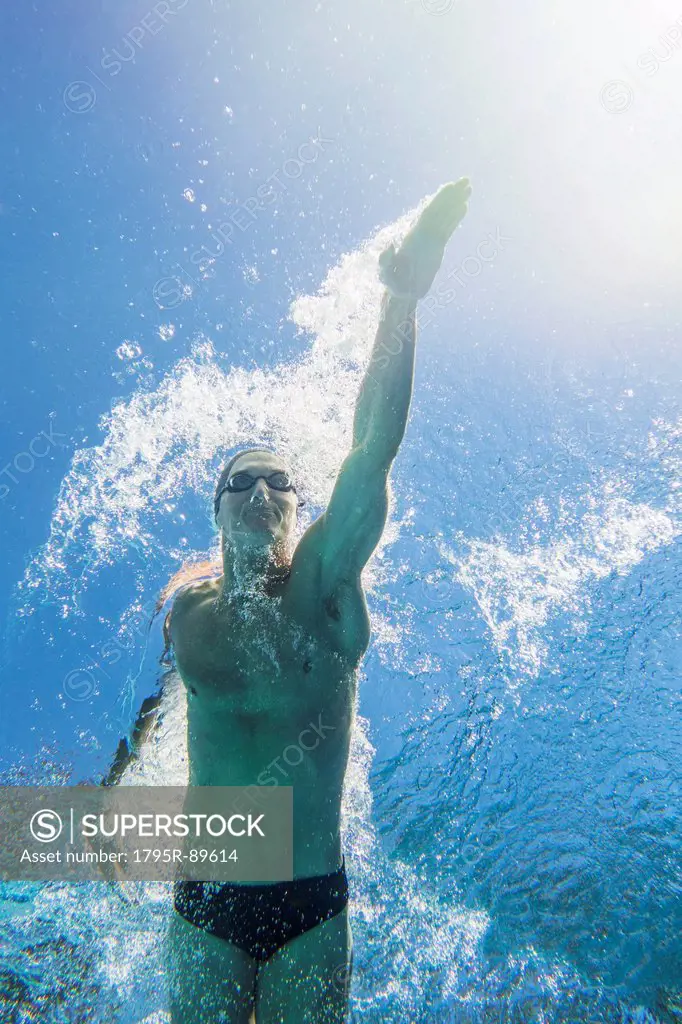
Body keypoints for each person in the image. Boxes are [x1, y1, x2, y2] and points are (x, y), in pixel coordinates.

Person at [164, 178, 472, 1023]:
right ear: (218, 509)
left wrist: (401, 304)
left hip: (309, 901)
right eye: (241, 483)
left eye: (279, 482)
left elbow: (373, 449)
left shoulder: (326, 589)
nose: (261, 493)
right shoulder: (189, 618)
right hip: (206, 901)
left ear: (298, 506)